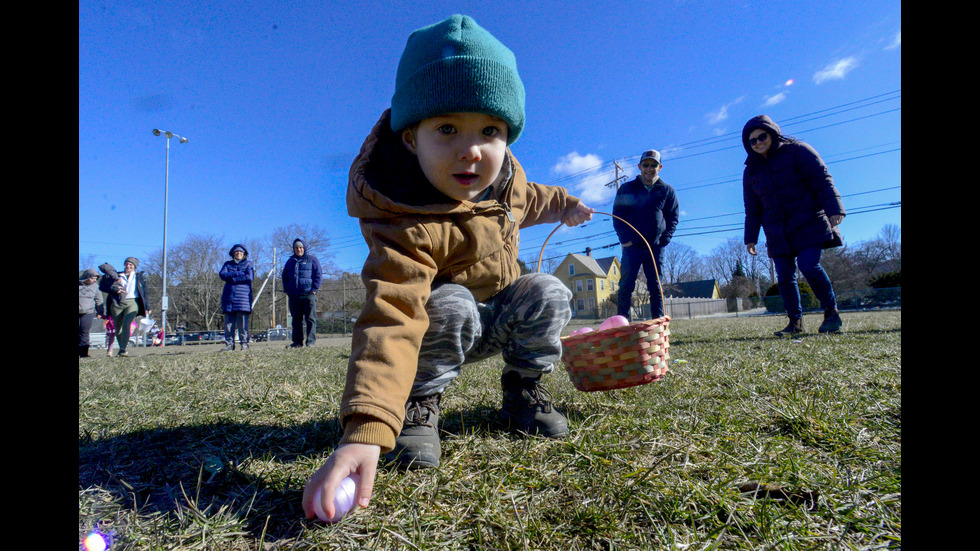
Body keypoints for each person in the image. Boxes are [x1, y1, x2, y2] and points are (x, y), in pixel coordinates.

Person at [302, 14, 595, 522]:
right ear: (411, 137)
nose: (471, 149)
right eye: (446, 128)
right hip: (437, 330)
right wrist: (366, 430)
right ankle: (420, 403)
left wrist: (567, 204)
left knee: (547, 290)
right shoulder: (404, 219)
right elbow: (390, 315)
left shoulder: (506, 183)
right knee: (452, 298)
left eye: (490, 129)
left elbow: (535, 199)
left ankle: (523, 390)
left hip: (497, 318)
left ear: (507, 139)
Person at [741, 115, 845, 336]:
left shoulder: (797, 150)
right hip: (777, 229)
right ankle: (795, 322)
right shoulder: (751, 170)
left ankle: (831, 312)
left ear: (772, 133)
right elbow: (752, 207)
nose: (758, 142)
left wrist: (834, 208)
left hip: (808, 221)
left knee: (808, 265)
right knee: (784, 275)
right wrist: (751, 237)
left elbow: (821, 178)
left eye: (762, 136)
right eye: (752, 141)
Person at [612, 149, 680, 320]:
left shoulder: (666, 190)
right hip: (632, 248)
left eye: (654, 165)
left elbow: (673, 216)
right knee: (626, 285)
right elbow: (618, 216)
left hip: (655, 248)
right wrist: (625, 240)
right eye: (646, 165)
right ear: (639, 166)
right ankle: (622, 324)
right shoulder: (627, 189)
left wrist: (665, 239)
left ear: (660, 167)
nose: (650, 169)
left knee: (656, 286)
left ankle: (658, 323)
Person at [99, 257, 151, 357]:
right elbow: (102, 287)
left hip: (133, 302)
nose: (128, 266)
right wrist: (115, 290)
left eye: (131, 264)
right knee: (118, 327)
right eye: (127, 264)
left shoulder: (140, 277)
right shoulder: (116, 275)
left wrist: (147, 307)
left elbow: (146, 293)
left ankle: (123, 349)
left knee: (127, 324)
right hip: (117, 302)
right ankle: (121, 348)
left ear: (135, 266)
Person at [281, 238, 322, 348]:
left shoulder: (312, 260)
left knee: (310, 319)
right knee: (296, 320)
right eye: (296, 248)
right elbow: (284, 277)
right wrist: (287, 290)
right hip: (294, 296)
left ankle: (310, 342)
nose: (299, 249)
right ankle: (297, 343)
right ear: (294, 249)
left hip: (309, 294)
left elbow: (318, 275)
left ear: (304, 248)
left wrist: (314, 289)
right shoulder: (290, 262)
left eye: (300, 247)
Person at [219, 244, 255, 351]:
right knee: (229, 324)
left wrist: (233, 278)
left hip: (243, 299)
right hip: (229, 298)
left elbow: (249, 277)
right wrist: (238, 273)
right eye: (236, 252)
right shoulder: (227, 264)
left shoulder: (248, 264)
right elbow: (222, 274)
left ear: (244, 254)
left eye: (241, 252)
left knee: (242, 323)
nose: (239, 253)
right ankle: (229, 344)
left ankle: (244, 343)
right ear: (233, 253)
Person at [78, 268, 104, 358]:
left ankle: (84, 354)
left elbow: (99, 299)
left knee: (84, 332)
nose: (94, 280)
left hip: (88, 312)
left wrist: (100, 311)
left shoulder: (95, 286)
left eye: (96, 279)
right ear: (87, 277)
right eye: (93, 278)